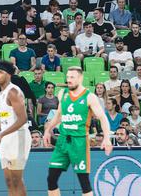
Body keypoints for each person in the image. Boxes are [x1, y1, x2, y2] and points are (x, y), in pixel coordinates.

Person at [44, 67, 113, 196]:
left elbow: (103, 118)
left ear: (80, 78)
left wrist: (107, 138)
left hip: (79, 141)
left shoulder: (90, 97)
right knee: (51, 178)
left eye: (72, 77)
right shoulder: (62, 94)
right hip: (63, 140)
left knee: (84, 182)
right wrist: (48, 130)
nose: (68, 80)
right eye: (68, 77)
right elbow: (59, 114)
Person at [0, 60, 31, 196]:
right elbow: (4, 122)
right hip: (7, 138)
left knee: (16, 179)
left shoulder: (13, 92)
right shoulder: (0, 95)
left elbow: (22, 119)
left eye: (0, 72)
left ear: (8, 75)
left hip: (19, 137)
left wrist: (0, 135)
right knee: (8, 180)